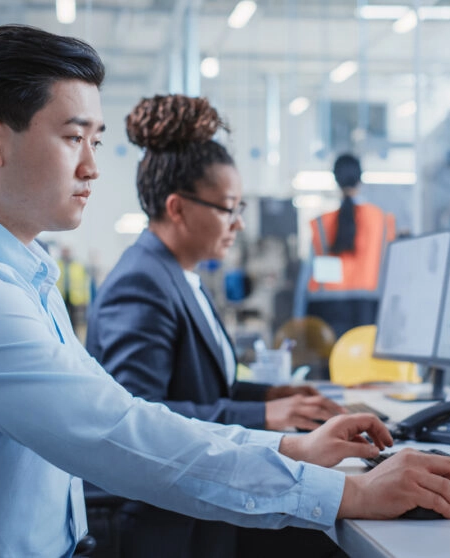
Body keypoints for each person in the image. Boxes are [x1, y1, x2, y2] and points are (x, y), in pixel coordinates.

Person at [0, 24, 450, 557]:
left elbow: (123, 414)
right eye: (72, 139)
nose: (91, 167)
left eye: (95, 142)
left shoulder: (18, 269)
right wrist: (348, 492)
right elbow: (115, 431)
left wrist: (289, 444)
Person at [84, 94, 347, 556]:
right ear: (178, 208)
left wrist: (272, 397)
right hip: (153, 521)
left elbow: (203, 387)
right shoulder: (142, 282)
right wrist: (267, 419)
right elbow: (144, 417)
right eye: (229, 208)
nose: (239, 224)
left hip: (193, 501)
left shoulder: (182, 275)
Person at [301, 154, 396, 339]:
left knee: (331, 365)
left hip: (327, 310)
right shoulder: (382, 220)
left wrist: (299, 318)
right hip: (369, 309)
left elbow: (307, 274)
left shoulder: (322, 222)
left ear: (335, 180)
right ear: (360, 178)